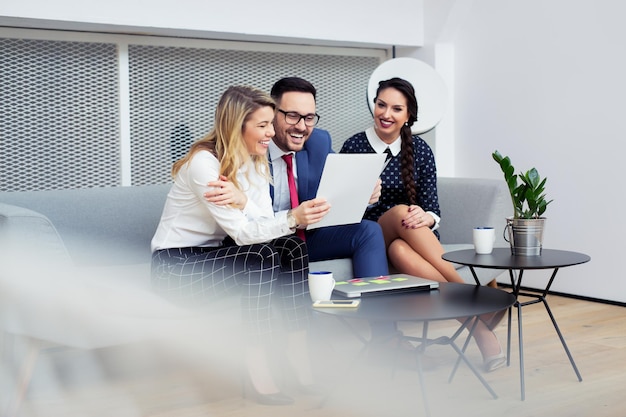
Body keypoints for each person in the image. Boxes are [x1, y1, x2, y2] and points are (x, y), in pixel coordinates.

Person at [151, 86, 317, 405]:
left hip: (212, 259)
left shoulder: (253, 161)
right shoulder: (205, 164)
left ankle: (299, 356)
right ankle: (257, 369)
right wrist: (289, 216)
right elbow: (244, 234)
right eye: (263, 125)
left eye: (271, 123)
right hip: (175, 269)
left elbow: (266, 225)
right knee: (260, 254)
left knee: (292, 246)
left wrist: (242, 200)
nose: (272, 132)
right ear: (236, 125)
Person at [340, 77, 506, 372]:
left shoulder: (421, 150)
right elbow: (342, 209)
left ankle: (476, 326)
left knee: (402, 250)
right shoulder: (354, 145)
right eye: (381, 105)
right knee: (402, 211)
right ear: (373, 105)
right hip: (369, 235)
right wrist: (366, 200)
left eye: (396, 109)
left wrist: (426, 217)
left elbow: (433, 208)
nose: (386, 114)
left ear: (408, 116)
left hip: (412, 241)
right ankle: (475, 305)